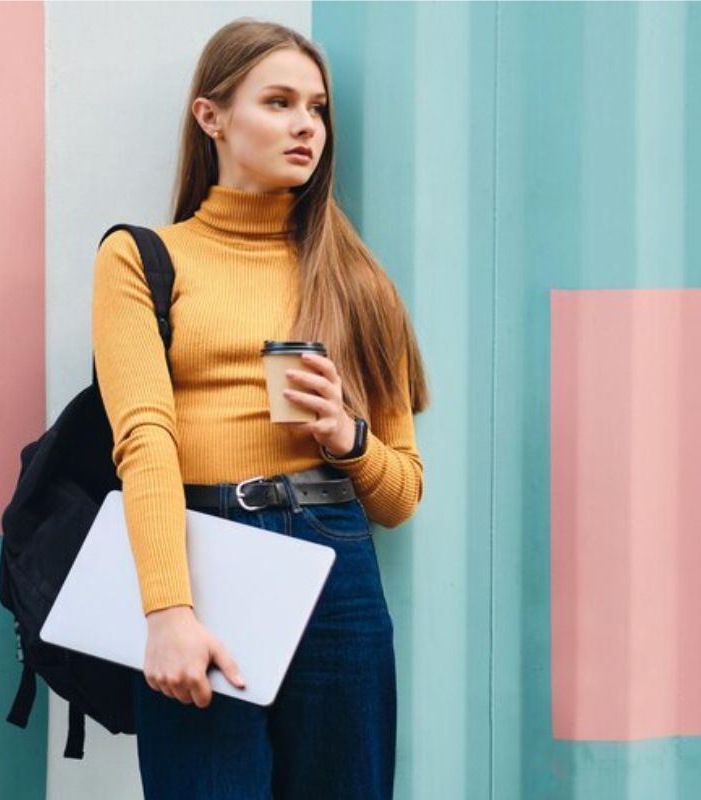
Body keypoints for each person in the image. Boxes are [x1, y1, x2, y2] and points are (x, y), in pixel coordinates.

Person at [92, 17, 429, 800]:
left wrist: (346, 437)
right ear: (211, 117)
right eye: (278, 102)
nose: (305, 125)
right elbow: (143, 441)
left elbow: (403, 494)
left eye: (316, 108)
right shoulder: (142, 258)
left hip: (334, 561)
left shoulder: (357, 278)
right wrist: (168, 610)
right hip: (203, 555)